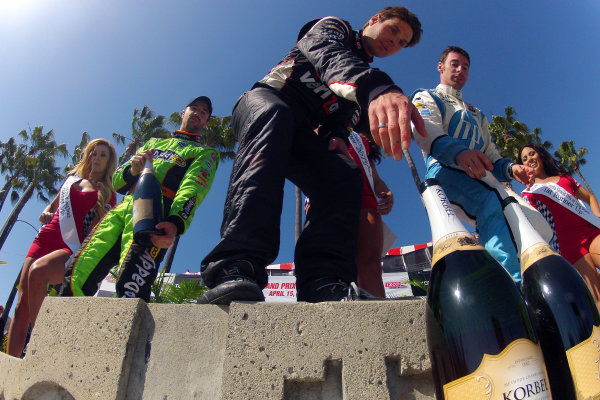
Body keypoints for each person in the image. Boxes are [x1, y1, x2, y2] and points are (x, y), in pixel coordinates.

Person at [200, 7, 426, 304]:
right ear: (375, 19)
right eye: (393, 31)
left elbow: (340, 124)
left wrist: (337, 138)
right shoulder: (336, 29)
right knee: (275, 115)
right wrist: (377, 87)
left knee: (343, 174)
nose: (393, 42)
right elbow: (325, 52)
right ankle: (236, 265)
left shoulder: (354, 92)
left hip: (300, 132)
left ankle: (324, 282)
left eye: (401, 44)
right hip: (263, 103)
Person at [61, 96, 220, 301]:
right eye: (194, 108)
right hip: (123, 207)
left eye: (204, 112)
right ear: (183, 112)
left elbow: (193, 188)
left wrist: (175, 221)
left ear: (206, 122)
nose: (198, 113)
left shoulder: (205, 153)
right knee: (77, 272)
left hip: (154, 215)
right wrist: (133, 168)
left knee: (131, 285)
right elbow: (117, 182)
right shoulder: (154, 142)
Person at [411, 46, 534, 282]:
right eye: (454, 64)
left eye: (465, 67)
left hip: (480, 177)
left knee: (520, 213)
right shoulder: (426, 96)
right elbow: (424, 130)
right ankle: (512, 284)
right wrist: (459, 153)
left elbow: (491, 154)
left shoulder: (477, 114)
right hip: (443, 172)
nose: (460, 70)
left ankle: (520, 280)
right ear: (441, 67)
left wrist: (511, 168)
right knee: (491, 203)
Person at [7, 138, 117, 357]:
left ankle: (42, 343)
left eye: (103, 155)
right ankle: (9, 366)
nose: (97, 158)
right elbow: (51, 207)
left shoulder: (108, 194)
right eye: (94, 153)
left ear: (109, 161)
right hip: (44, 238)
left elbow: (97, 230)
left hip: (69, 246)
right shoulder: (71, 180)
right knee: (21, 306)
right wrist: (45, 213)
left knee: (39, 272)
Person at [518, 143, 600, 307]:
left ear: (540, 155)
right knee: (597, 299)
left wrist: (597, 218)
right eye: (524, 159)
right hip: (569, 246)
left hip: (590, 233)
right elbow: (537, 225)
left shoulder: (564, 178)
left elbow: (590, 197)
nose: (529, 159)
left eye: (531, 154)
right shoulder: (530, 193)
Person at [348, 132, 393, 297]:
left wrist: (384, 190)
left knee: (371, 263)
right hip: (329, 193)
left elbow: (374, 175)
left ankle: (378, 318)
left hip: (365, 197)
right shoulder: (321, 119)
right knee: (330, 261)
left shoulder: (360, 138)